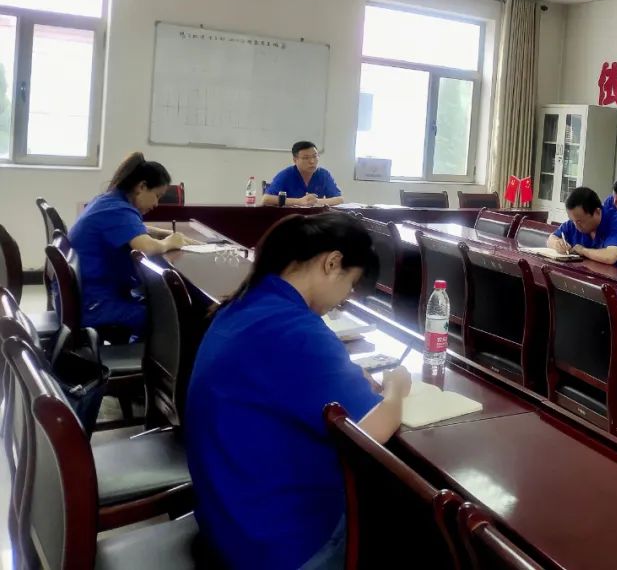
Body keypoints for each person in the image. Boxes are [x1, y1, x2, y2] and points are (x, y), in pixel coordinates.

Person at [186, 213, 411, 570]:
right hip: (274, 544)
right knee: (403, 526)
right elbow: (370, 432)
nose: (344, 299)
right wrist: (397, 387)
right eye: (350, 284)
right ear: (332, 263)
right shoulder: (296, 330)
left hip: (225, 517)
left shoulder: (245, 304)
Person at [68, 152, 193, 337]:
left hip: (83, 297)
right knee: (170, 317)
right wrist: (170, 242)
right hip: (94, 305)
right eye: (157, 196)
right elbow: (146, 247)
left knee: (159, 305)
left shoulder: (109, 200)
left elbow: (131, 228)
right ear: (142, 187)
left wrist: (161, 233)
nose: (156, 204)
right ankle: (149, 353)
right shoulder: (118, 209)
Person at [547, 186, 617, 271]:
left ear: (597, 211)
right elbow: (551, 238)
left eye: (579, 221)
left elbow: (610, 256)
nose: (576, 225)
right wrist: (557, 244)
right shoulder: (575, 221)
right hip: (590, 275)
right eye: (572, 220)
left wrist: (583, 251)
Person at [263, 141, 344, 207]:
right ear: (295, 160)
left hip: (315, 218)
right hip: (292, 217)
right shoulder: (286, 175)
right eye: (306, 158)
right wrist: (299, 201)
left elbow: (339, 199)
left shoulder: (323, 174)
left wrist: (316, 201)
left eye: (315, 156)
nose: (312, 161)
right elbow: (266, 199)